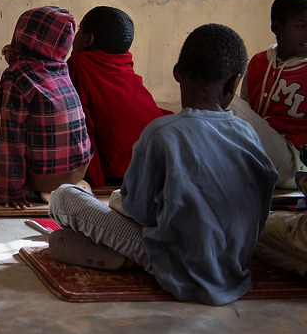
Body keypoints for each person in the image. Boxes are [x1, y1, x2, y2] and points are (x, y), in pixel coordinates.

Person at [48, 24, 279, 306]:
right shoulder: (249, 134)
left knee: (64, 197)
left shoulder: (162, 132)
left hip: (173, 262)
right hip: (233, 263)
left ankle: (123, 256)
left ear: (177, 73)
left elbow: (139, 213)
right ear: (234, 83)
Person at [0, 6, 91, 209]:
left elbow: (13, 137)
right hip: (79, 170)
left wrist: (11, 190)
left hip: (47, 178)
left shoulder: (16, 76)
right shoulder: (61, 68)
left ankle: (31, 190)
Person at [67, 6, 171, 187]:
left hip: (123, 172)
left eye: (79, 30)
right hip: (159, 162)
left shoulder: (80, 63)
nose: (75, 36)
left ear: (88, 40)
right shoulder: (123, 62)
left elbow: (82, 127)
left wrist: (95, 181)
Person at [229, 0, 307, 189]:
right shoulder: (258, 61)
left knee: (222, 98)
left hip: (295, 162)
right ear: (276, 27)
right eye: (300, 26)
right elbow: (249, 113)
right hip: (261, 152)